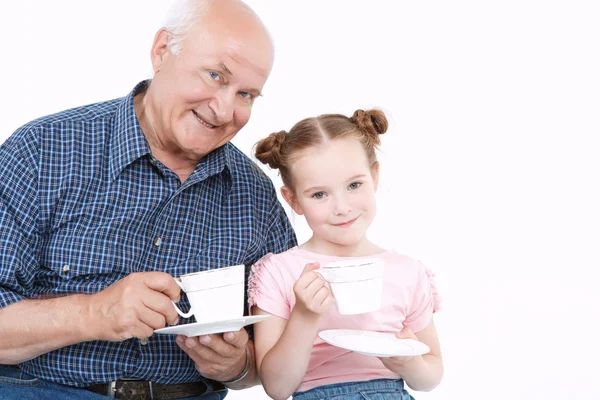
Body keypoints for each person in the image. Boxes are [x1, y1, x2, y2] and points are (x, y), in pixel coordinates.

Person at [0, 0, 296, 399]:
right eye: (214, 76)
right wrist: (94, 314)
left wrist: (237, 364)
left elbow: (280, 356)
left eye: (246, 94)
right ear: (162, 52)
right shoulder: (42, 151)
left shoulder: (256, 197)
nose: (224, 109)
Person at [248, 109, 443, 400]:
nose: (341, 207)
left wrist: (409, 363)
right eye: (319, 195)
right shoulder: (279, 272)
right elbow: (277, 387)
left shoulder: (408, 272)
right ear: (293, 199)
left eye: (354, 185)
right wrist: (304, 315)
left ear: (374, 177)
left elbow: (431, 374)